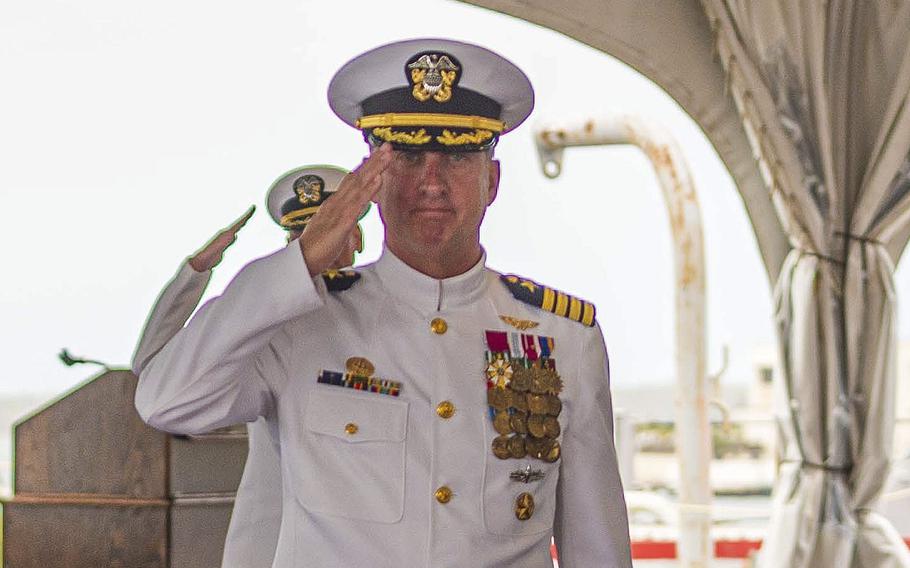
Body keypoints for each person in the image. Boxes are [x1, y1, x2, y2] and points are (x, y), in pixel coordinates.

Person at [136, 38, 631, 567]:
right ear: (369, 181)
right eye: (410, 156)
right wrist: (296, 266)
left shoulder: (563, 338)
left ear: (492, 180)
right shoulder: (298, 321)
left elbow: (595, 544)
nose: (432, 183)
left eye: (460, 157)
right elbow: (165, 402)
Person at [131, 166, 363, 568]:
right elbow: (151, 371)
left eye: (333, 231)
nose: (321, 247)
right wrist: (195, 274)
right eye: (302, 238)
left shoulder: (384, 313)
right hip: (272, 539)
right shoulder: (269, 321)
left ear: (357, 236)